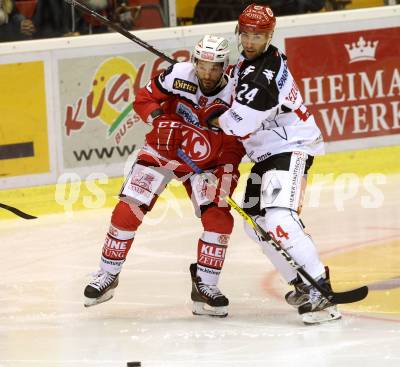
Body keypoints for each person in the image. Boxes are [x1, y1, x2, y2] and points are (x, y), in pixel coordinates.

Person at [83, 35, 245, 318]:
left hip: (207, 162)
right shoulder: (178, 75)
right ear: (195, 62)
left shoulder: (235, 94)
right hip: (163, 150)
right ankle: (107, 275)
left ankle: (205, 286)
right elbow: (143, 99)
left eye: (215, 67)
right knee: (129, 208)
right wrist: (158, 119)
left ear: (225, 66)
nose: (207, 73)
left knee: (218, 216)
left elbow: (236, 141)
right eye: (203, 65)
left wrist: (225, 173)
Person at [207, 4, 341, 324]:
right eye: (247, 34)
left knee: (279, 215)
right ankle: (300, 281)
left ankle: (319, 286)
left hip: (290, 148)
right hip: (267, 154)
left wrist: (212, 116)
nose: (251, 41)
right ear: (240, 33)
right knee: (255, 222)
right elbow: (236, 91)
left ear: (270, 36)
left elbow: (240, 124)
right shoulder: (249, 65)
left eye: (259, 35)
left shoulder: (263, 76)